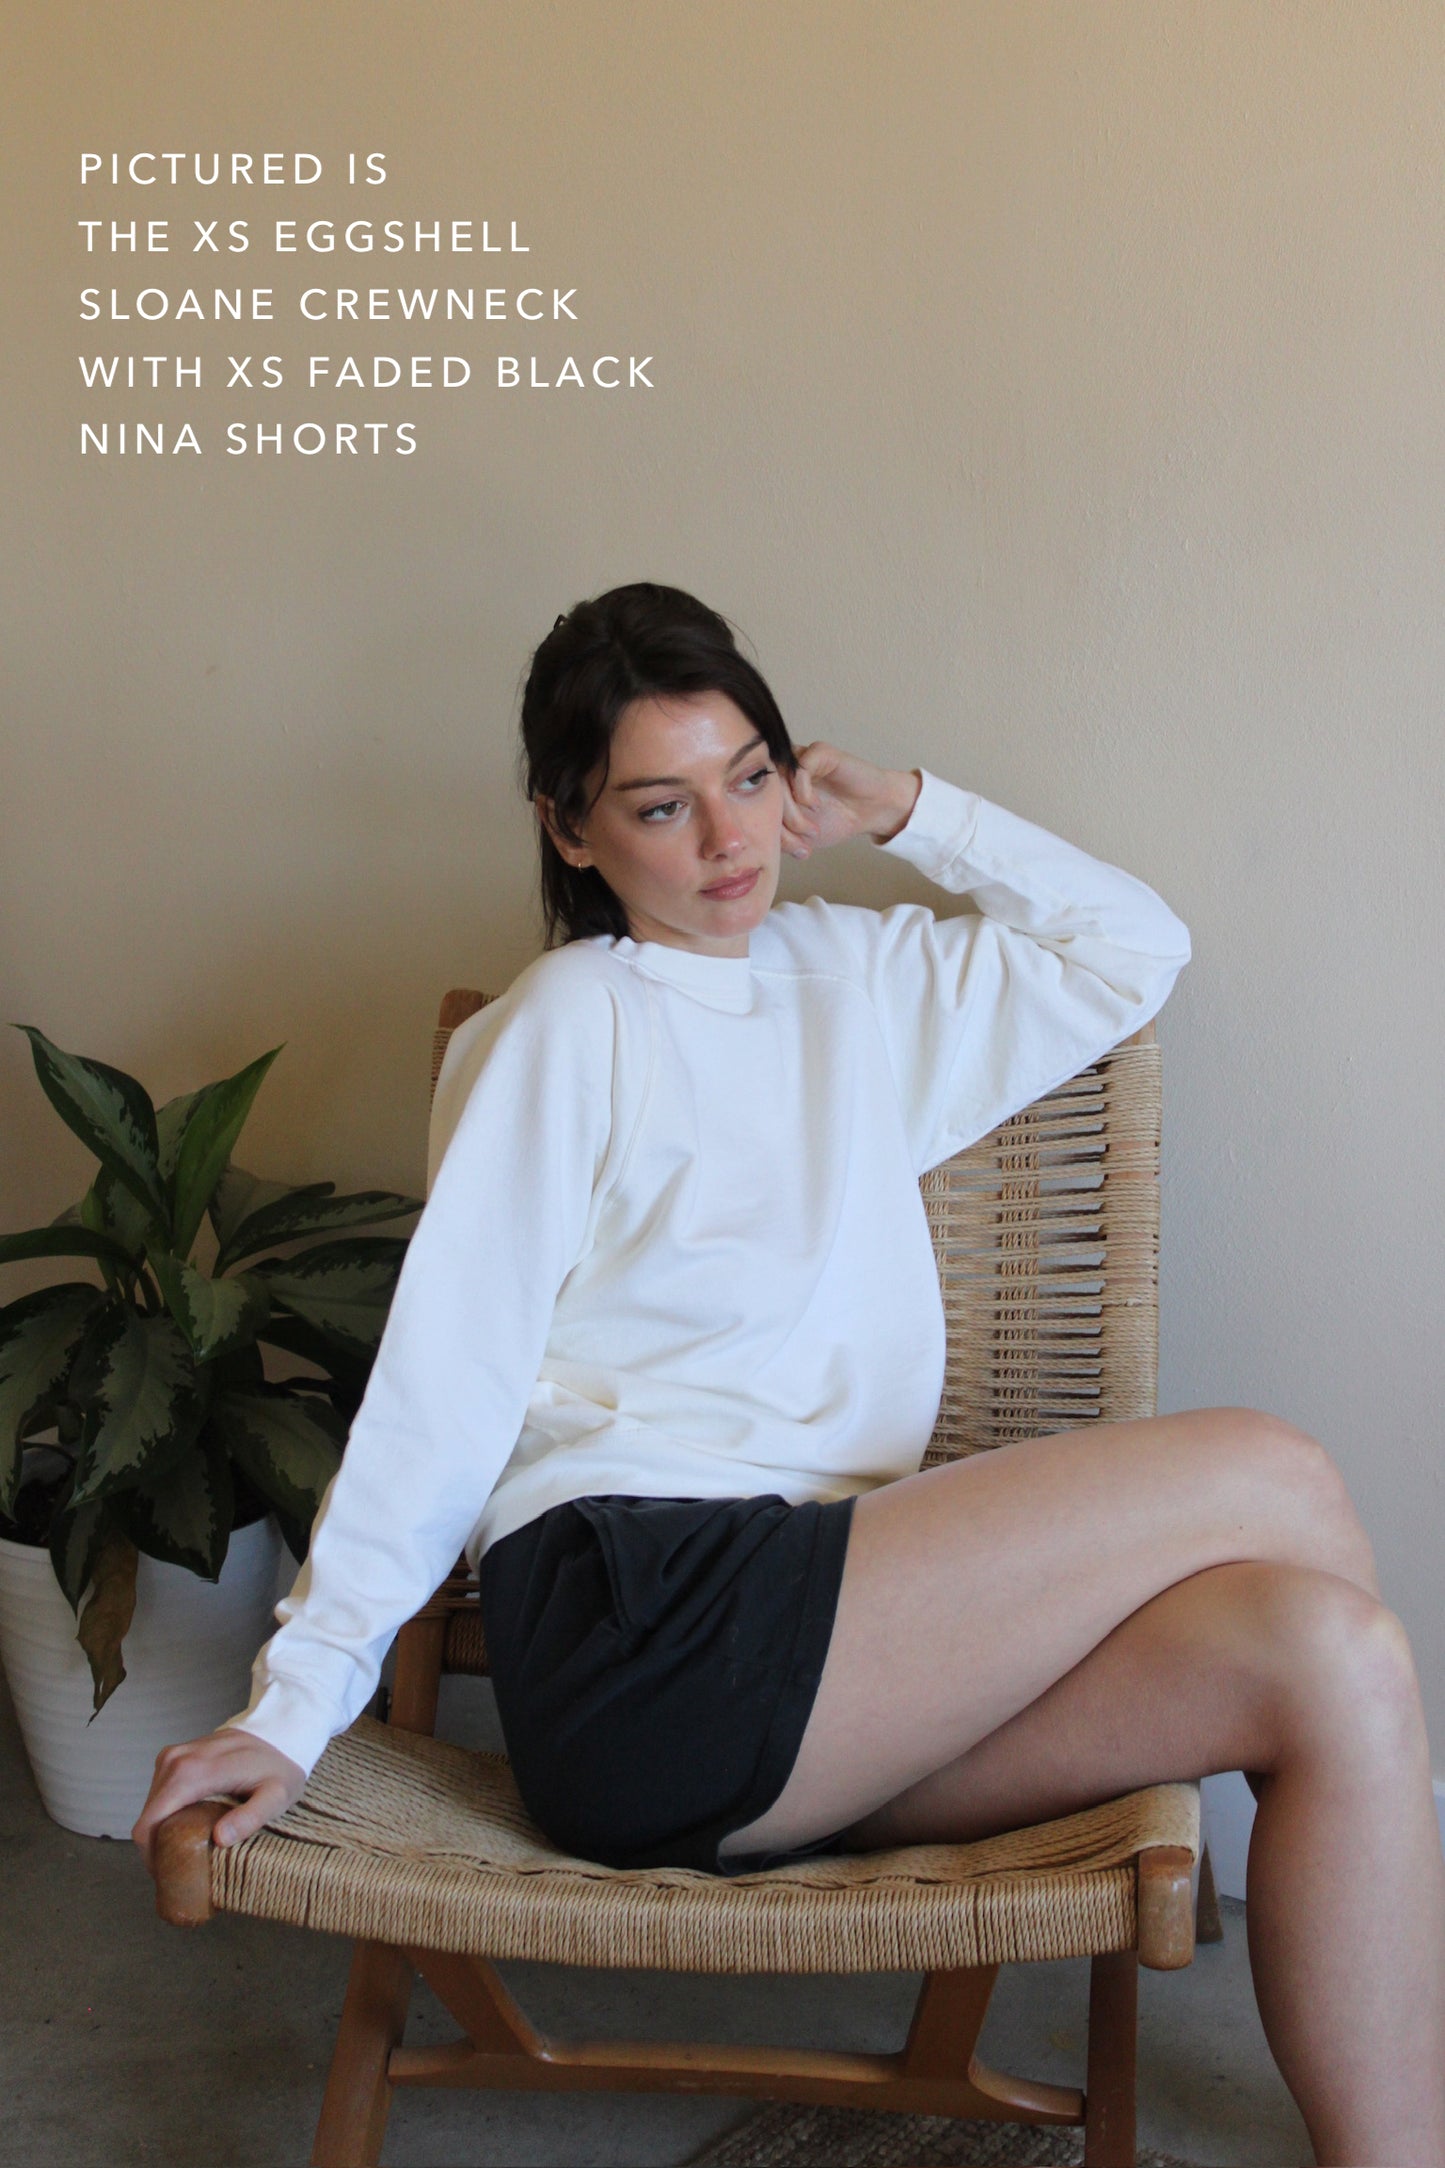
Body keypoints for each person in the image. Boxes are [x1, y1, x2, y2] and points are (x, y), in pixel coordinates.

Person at [135, 582, 1445, 2165]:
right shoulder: (565, 1026)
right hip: (643, 1624)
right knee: (1274, 1477)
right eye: (660, 806)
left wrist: (911, 808)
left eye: (748, 778)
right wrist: (293, 1709)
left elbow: (1128, 949)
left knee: (1331, 1656)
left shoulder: (852, 981)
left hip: (848, 1666)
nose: (724, 840)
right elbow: (445, 1382)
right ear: (568, 830)